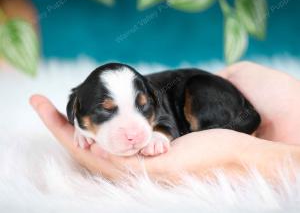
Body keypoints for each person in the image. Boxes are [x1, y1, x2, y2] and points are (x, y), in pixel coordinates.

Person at [30, 61, 300, 183]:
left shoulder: (158, 103)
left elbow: (162, 121)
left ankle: (219, 128)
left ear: (151, 101)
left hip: (205, 90)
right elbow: (78, 117)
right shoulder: (78, 106)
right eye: (107, 111)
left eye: (142, 108)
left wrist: (160, 134)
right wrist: (81, 130)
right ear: (75, 111)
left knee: (196, 95)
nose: (134, 131)